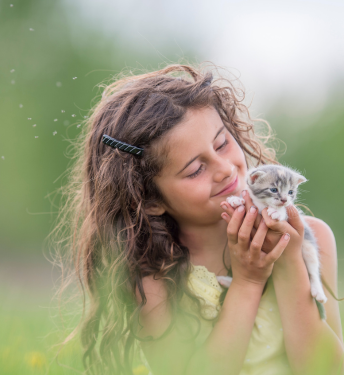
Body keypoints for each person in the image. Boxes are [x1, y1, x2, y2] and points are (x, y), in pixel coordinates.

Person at [52, 63, 344, 375]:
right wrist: (247, 281)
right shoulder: (155, 278)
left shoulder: (314, 240)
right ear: (150, 201)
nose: (225, 168)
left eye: (222, 144)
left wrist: (288, 263)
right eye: (195, 169)